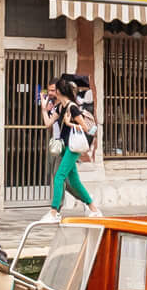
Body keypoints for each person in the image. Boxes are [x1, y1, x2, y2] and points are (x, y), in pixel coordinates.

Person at [39, 75, 101, 220]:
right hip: (65, 147)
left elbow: (87, 129)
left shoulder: (72, 108)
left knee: (59, 176)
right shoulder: (61, 107)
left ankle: (54, 212)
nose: (52, 93)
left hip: (73, 148)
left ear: (60, 92)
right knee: (74, 181)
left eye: (54, 90)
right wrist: (43, 109)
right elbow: (48, 123)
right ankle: (93, 208)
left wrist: (69, 124)